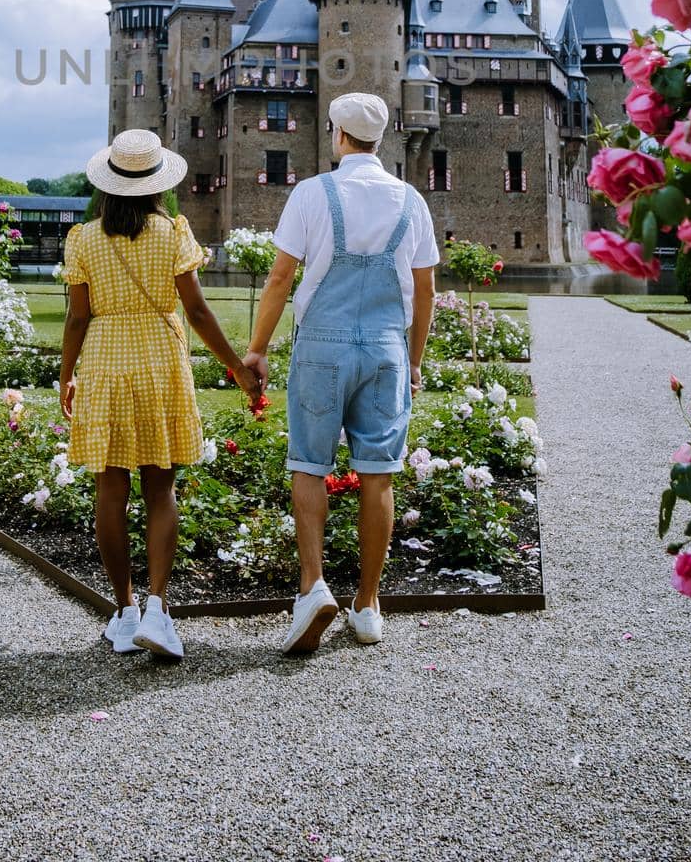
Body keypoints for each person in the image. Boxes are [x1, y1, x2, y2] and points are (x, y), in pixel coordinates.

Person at [243, 92, 438, 652]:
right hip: (384, 348)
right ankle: (368, 604)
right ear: (379, 140)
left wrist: (257, 349)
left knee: (309, 464)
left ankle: (312, 590)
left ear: (337, 135)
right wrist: (414, 360)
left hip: (322, 347)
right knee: (378, 473)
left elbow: (280, 279)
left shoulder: (312, 193)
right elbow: (424, 290)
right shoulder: (411, 200)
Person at [60, 128, 260, 661]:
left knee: (110, 489)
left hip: (104, 359)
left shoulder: (82, 239)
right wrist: (236, 366)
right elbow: (195, 311)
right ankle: (156, 606)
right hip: (158, 359)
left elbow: (78, 316)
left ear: (107, 184)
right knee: (160, 488)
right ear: (155, 183)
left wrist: (65, 374)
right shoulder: (173, 232)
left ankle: (122, 610)